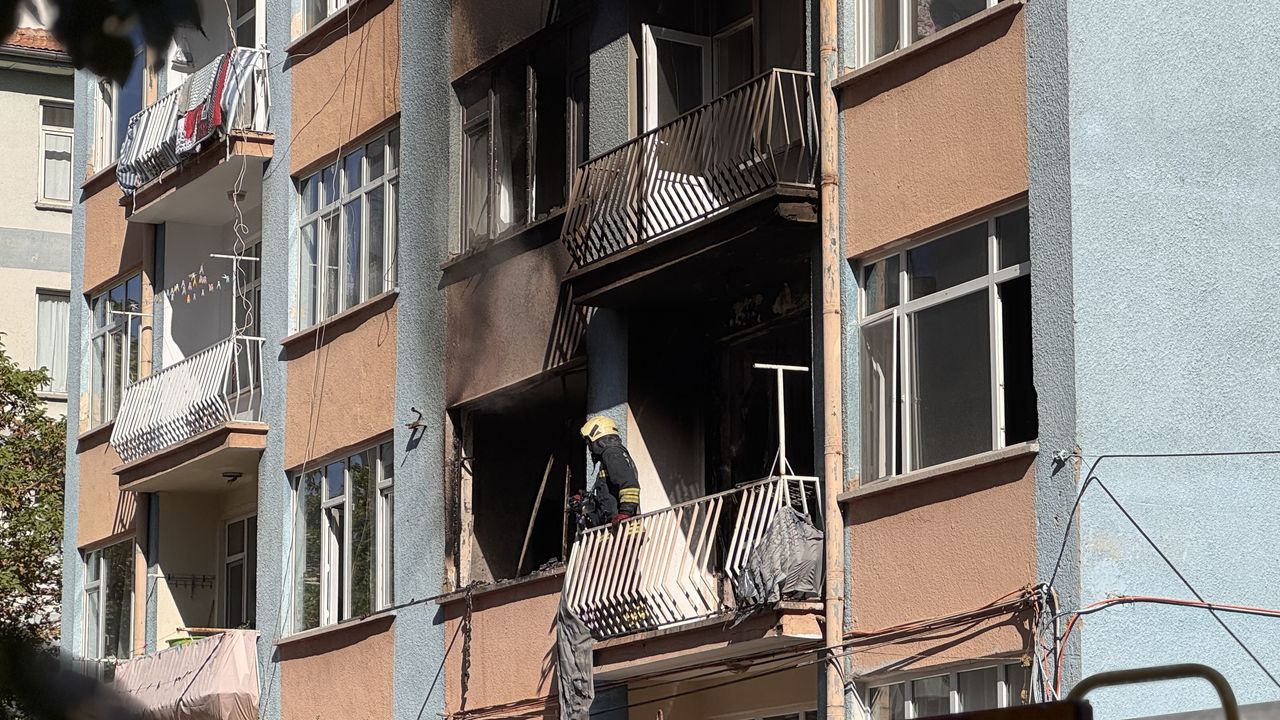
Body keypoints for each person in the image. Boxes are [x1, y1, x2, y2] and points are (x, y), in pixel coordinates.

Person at [576, 415, 641, 527]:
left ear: (597, 440)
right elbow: (607, 504)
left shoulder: (612, 454)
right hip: (615, 530)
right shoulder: (612, 457)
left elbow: (629, 485)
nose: (589, 447)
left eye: (589, 442)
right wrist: (585, 501)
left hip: (623, 530)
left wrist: (625, 513)